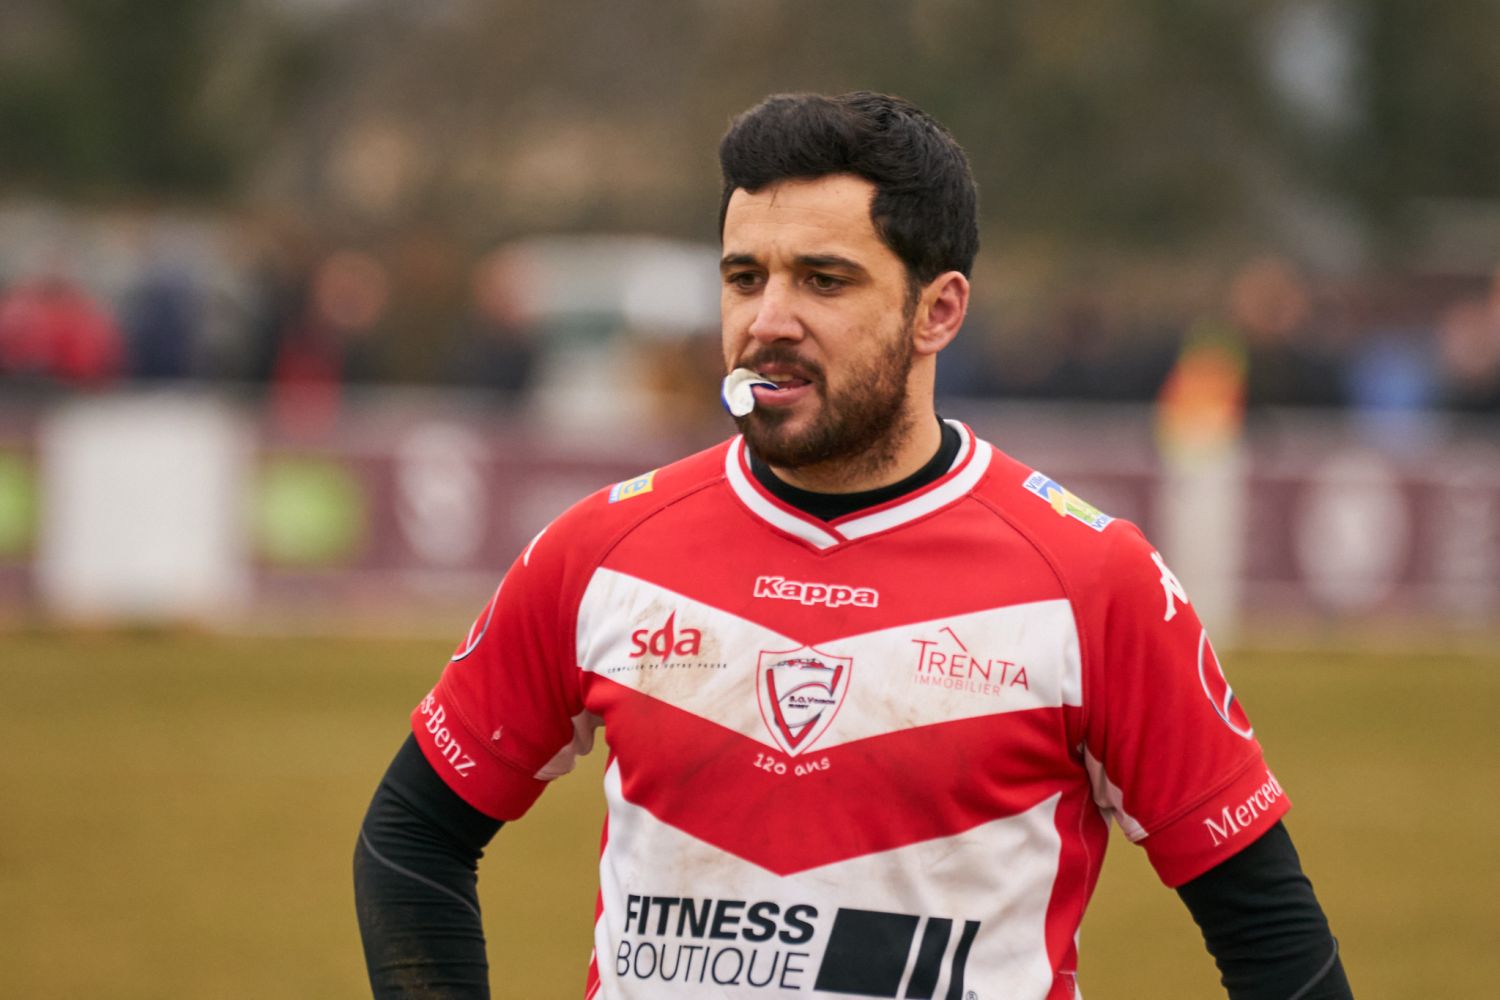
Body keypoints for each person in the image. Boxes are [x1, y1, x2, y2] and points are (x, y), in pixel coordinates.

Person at [355, 91, 1353, 1000]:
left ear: (938, 311)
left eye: (823, 281)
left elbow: (1274, 941)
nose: (768, 321)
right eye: (744, 277)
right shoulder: (600, 551)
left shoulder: (1093, 582)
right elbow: (410, 843)